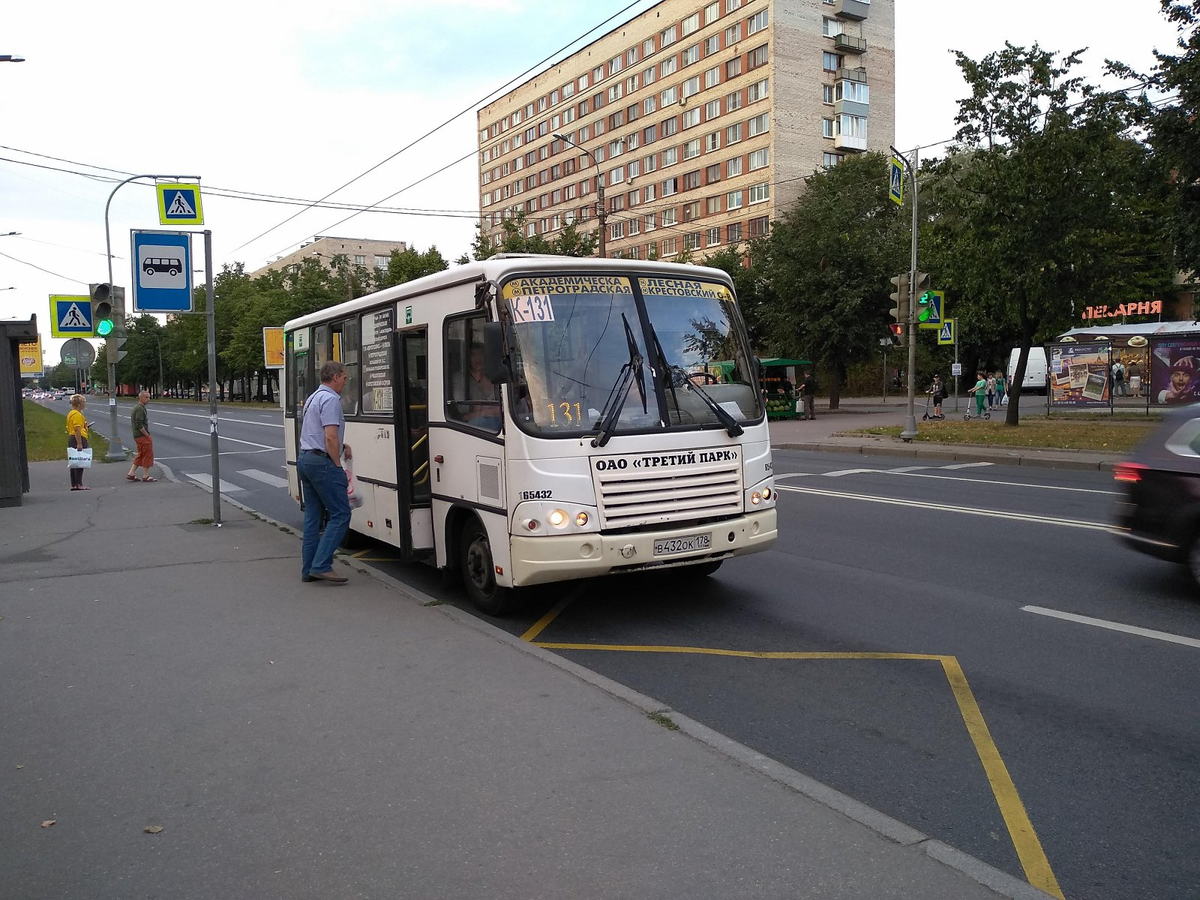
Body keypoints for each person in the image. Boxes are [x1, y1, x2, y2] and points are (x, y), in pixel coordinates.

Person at [298, 361, 353, 585]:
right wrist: (337, 464)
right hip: (323, 463)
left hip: (306, 459)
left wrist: (342, 445)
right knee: (341, 514)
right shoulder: (331, 400)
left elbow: (316, 431)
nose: (346, 381)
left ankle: (308, 569)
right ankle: (322, 565)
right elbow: (330, 436)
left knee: (313, 517)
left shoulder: (313, 397)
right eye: (344, 377)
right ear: (336, 377)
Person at [453, 343, 501, 431]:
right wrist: (489, 410)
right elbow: (462, 408)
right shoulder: (459, 378)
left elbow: (500, 406)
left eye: (480, 354)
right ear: (467, 357)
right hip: (471, 426)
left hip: (495, 420)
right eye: (473, 355)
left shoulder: (491, 376)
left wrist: (476, 412)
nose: (478, 359)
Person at [126, 391, 156, 482]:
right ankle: (146, 475)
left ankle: (131, 473)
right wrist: (147, 435)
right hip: (142, 436)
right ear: (141, 398)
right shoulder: (139, 408)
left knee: (141, 454)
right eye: (146, 397)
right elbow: (139, 423)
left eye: (149, 397)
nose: (148, 399)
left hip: (137, 436)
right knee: (147, 454)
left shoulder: (138, 407)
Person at [66, 394, 91, 491]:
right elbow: (77, 430)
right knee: (80, 461)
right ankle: (79, 484)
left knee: (74, 461)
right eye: (84, 402)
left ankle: (74, 484)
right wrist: (79, 443)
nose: (85, 404)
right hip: (78, 438)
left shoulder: (71, 413)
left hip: (72, 437)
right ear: (79, 404)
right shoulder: (77, 415)